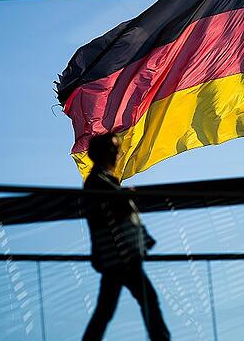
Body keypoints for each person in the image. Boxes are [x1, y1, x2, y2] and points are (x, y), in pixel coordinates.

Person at [81, 134, 171, 341]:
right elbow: (109, 210)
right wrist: (123, 196)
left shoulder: (100, 181)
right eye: (113, 149)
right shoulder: (98, 181)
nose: (117, 153)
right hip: (121, 254)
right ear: (101, 153)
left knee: (106, 309)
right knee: (147, 299)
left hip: (116, 255)